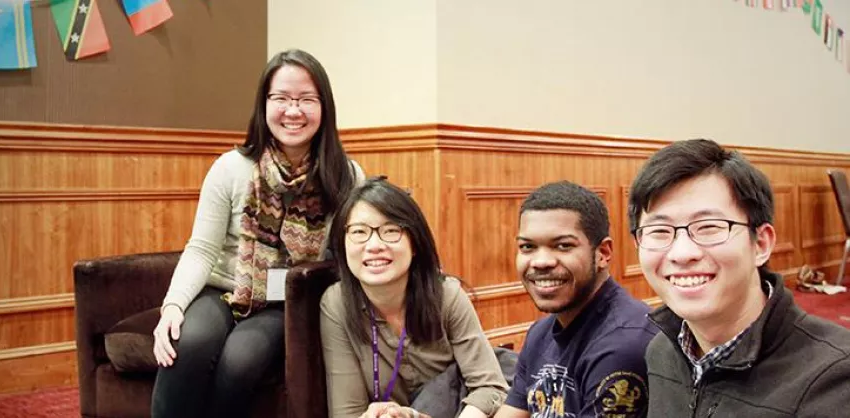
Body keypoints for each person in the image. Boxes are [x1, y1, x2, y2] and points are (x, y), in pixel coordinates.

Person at [150, 49, 365, 418]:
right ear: (264, 105)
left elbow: (345, 259)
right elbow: (202, 249)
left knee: (240, 359)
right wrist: (173, 305)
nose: (292, 111)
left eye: (305, 100)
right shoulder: (231, 168)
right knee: (189, 343)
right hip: (224, 289)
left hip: (290, 302)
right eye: (281, 98)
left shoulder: (345, 176)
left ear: (324, 107)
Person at [628, 139, 850, 416]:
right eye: (659, 231)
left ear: (761, 244)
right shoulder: (661, 351)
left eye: (709, 227)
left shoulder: (834, 381)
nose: (682, 253)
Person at [320, 177, 510, 418]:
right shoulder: (337, 304)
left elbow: (489, 386)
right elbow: (347, 413)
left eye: (391, 231)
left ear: (415, 243)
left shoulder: (447, 296)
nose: (374, 245)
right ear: (342, 244)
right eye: (359, 232)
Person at [496, 181, 657, 418]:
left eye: (563, 246)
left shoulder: (623, 345)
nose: (541, 262)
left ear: (603, 253)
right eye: (527, 246)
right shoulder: (541, 333)